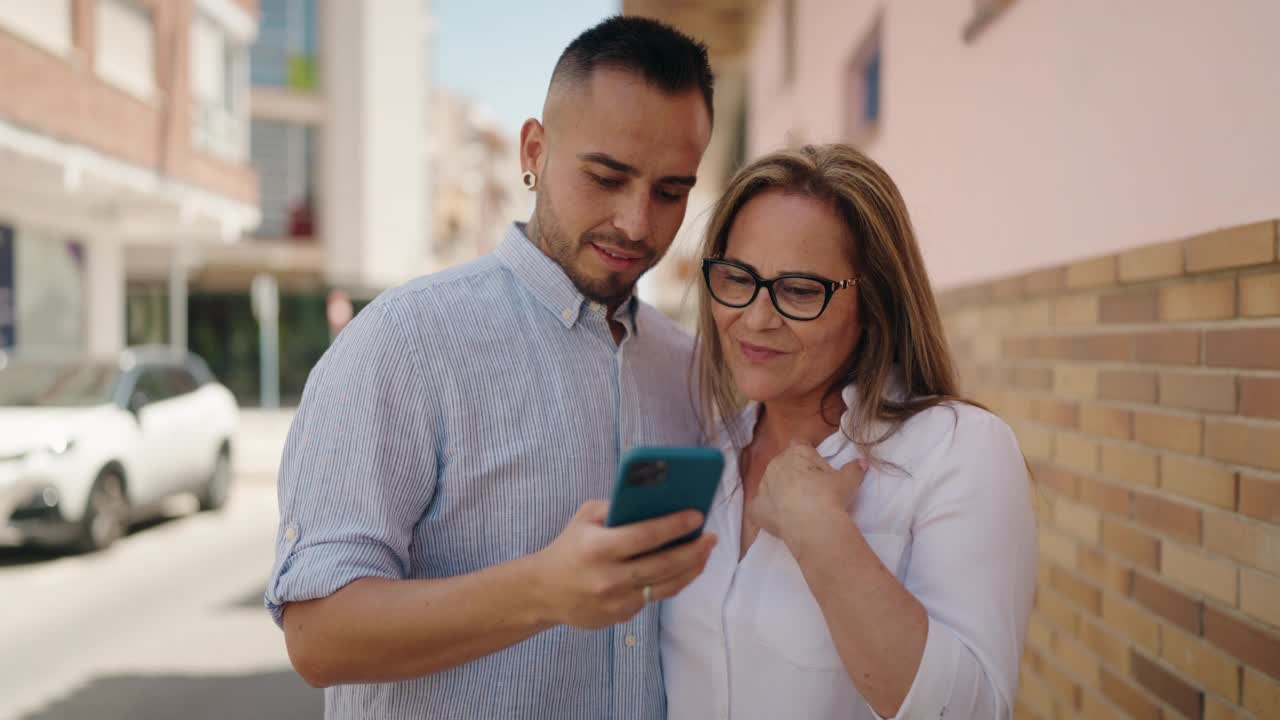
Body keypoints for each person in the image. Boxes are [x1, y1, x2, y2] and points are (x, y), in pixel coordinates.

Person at [266, 16, 717, 719]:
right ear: (533, 149)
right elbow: (317, 637)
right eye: (606, 177)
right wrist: (542, 590)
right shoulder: (405, 342)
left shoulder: (688, 367)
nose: (636, 223)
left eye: (670, 191)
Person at [661, 144, 1037, 720]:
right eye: (737, 277)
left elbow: (974, 712)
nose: (756, 318)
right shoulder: (705, 449)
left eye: (801, 290)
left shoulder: (959, 449)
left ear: (875, 302)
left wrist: (823, 534)